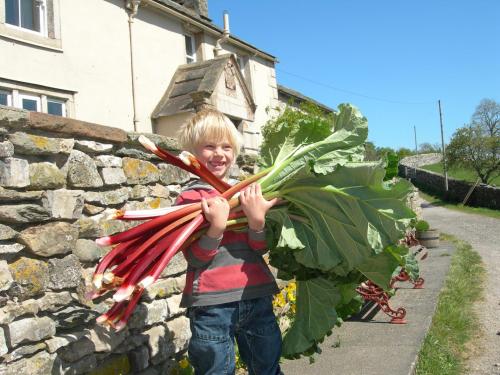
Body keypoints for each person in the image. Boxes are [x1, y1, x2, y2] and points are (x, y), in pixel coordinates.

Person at [175, 108, 282, 375]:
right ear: (192, 153)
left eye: (226, 146)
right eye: (209, 146)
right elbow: (196, 258)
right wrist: (217, 228)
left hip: (256, 295)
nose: (219, 154)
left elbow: (259, 248)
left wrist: (257, 222)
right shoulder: (190, 199)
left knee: (267, 368)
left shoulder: (250, 193)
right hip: (211, 304)